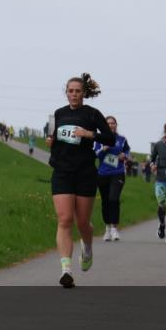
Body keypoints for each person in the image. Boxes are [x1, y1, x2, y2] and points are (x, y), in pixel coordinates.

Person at [44, 73, 116, 288]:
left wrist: (89, 134)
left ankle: (87, 247)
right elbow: (53, 137)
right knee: (64, 219)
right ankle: (66, 269)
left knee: (82, 222)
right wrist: (51, 141)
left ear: (83, 93)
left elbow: (109, 138)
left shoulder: (92, 114)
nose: (74, 94)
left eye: (77, 91)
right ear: (66, 93)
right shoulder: (58, 113)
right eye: (70, 91)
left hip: (85, 172)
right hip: (62, 172)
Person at [95, 115, 130, 242]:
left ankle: (115, 228)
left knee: (113, 199)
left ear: (116, 125)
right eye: (108, 123)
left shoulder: (122, 139)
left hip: (118, 173)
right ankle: (107, 228)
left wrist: (124, 155)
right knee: (105, 201)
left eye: (113, 123)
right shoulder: (99, 139)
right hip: (103, 174)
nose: (111, 125)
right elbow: (95, 154)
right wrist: (103, 149)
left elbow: (127, 151)